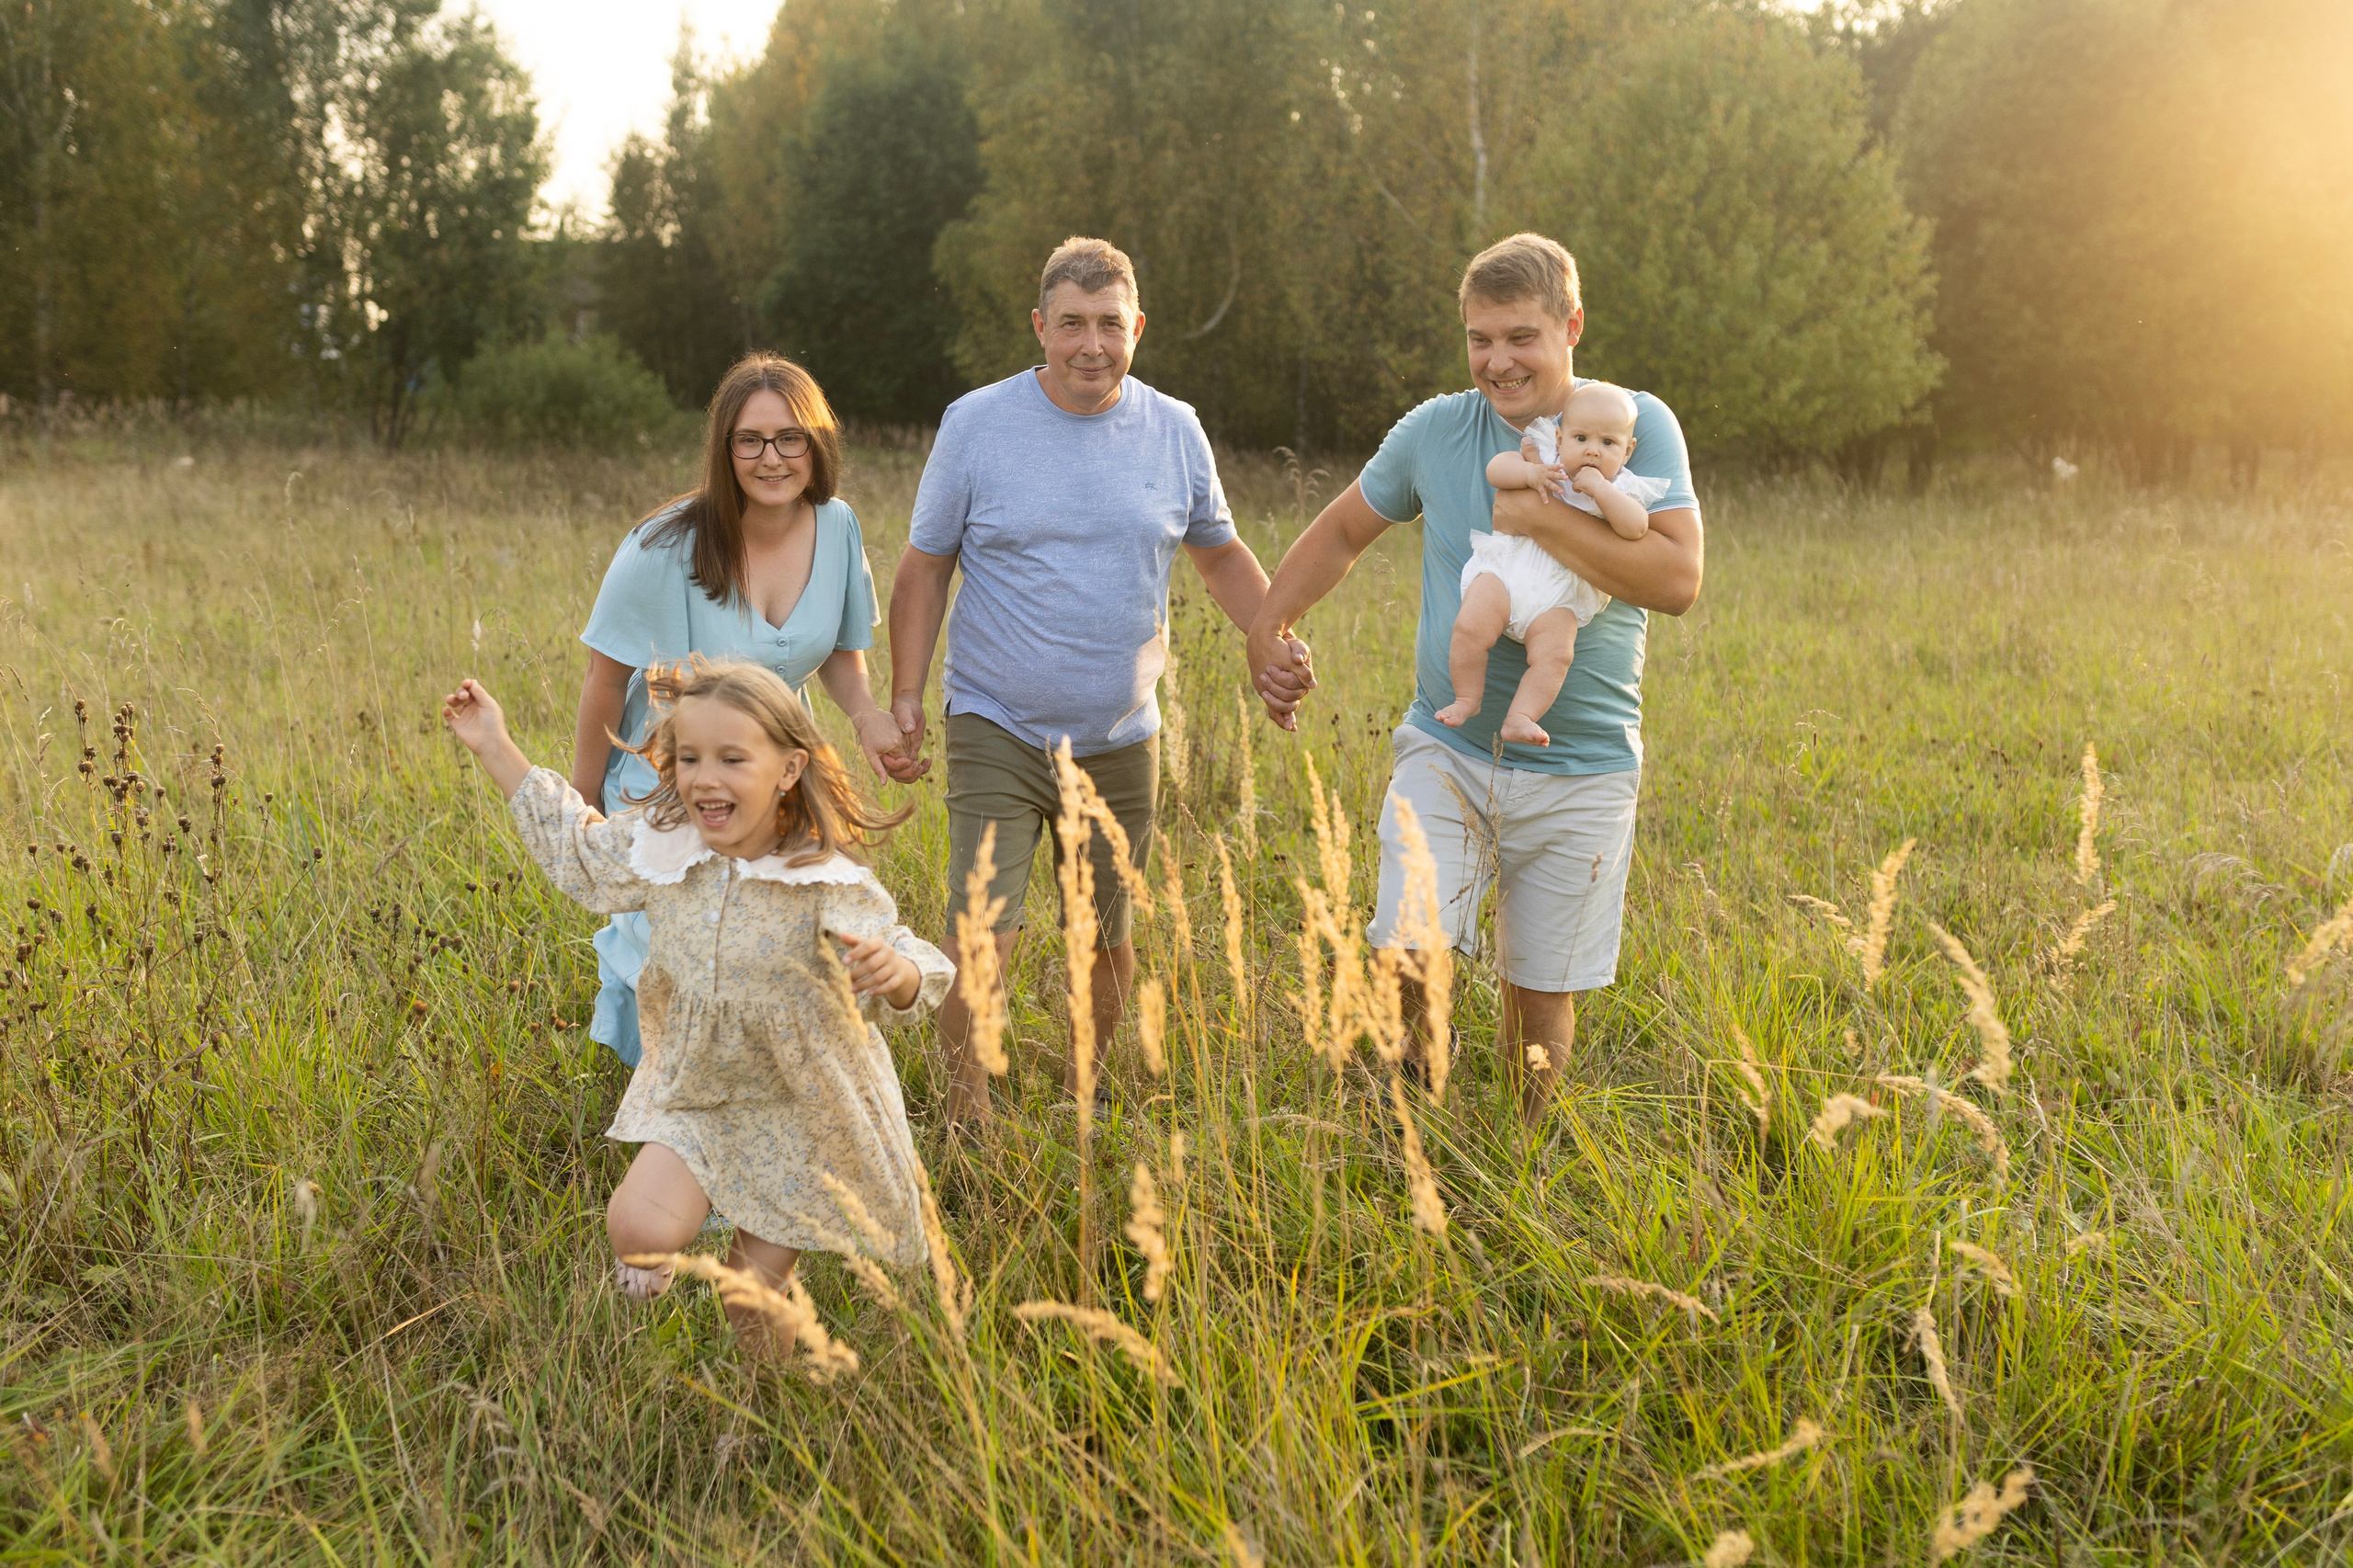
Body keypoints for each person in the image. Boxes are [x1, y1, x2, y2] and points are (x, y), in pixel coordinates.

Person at [1247, 233, 1704, 1122]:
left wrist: (1537, 518)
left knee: (1541, 992)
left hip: (1584, 764)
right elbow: (1343, 532)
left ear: (1571, 325)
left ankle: (1524, 1157)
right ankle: (1413, 1103)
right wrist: (1269, 625)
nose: (1498, 361)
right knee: (1411, 945)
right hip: (1448, 746)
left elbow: (1677, 581)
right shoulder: (1437, 431)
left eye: (1521, 336)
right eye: (1479, 338)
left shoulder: (1630, 425)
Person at [887, 236, 1302, 1126]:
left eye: (1108, 324)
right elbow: (924, 568)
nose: (1090, 344)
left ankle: (1084, 1088)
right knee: (984, 930)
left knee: (1105, 937)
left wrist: (1270, 635)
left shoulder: (1173, 427)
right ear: (1039, 327)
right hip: (994, 718)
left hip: (1121, 732)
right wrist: (905, 696)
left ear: (1137, 328)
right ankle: (967, 1114)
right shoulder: (976, 423)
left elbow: (1219, 550)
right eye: (1070, 323)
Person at [442, 660, 951, 1350]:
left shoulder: (819, 874)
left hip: (795, 1104)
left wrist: (897, 975)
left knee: (750, 1298)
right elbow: (581, 853)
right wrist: (495, 745)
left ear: (789, 768)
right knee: (639, 1228)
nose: (705, 777)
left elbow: (908, 954)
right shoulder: (666, 845)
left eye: (732, 758)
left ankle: (761, 1410)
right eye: (689, 758)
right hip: (698, 1086)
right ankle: (662, 1253)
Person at [572, 354, 922, 1070]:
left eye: (790, 438)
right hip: (668, 777)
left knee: (774, 943)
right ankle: (668, 1120)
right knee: (678, 958)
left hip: (775, 779)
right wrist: (582, 809)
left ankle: (764, 1105)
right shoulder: (662, 546)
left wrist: (867, 717)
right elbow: (605, 681)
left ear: (816, 444)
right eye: (750, 440)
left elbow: (837, 655)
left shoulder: (838, 527)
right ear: (724, 449)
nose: (772, 458)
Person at [1440, 381, 1671, 745]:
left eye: (1607, 444)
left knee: (1557, 655)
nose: (1592, 451)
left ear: (1628, 452)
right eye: (1581, 439)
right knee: (1470, 626)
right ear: (1561, 438)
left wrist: (1601, 490)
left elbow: (1636, 527)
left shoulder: (1622, 487)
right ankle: (1467, 698)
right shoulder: (1544, 456)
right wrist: (1530, 474)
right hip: (1509, 569)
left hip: (1559, 594)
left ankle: (1521, 716)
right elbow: (1496, 469)